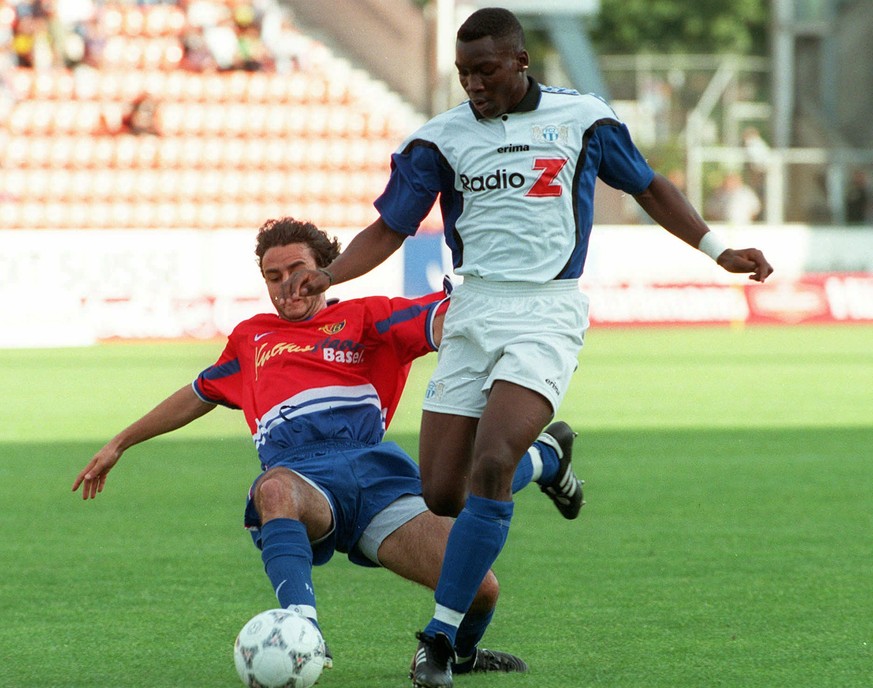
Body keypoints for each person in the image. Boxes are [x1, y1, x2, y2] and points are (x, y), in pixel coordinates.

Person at [283, 8, 774, 688]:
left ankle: (440, 640)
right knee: (441, 493)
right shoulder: (439, 140)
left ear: (519, 62)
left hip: (546, 311)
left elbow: (649, 186)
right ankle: (547, 460)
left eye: (485, 71)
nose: (474, 86)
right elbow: (389, 227)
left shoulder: (582, 121)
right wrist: (328, 276)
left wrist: (717, 250)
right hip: (471, 312)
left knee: (490, 462)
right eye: (463, 75)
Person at [71, 216, 584, 678]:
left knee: (480, 590)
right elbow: (198, 393)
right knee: (273, 490)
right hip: (303, 478)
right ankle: (303, 629)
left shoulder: (366, 318)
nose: (286, 285)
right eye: (273, 277)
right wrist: (121, 442)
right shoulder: (250, 339)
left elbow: (447, 320)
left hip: (379, 478)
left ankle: (469, 645)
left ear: (324, 271)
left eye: (297, 270)